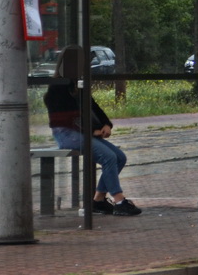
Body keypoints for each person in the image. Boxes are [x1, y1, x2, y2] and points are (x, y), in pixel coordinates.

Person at [43, 45, 142, 216]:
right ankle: (119, 201)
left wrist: (105, 124)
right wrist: (92, 131)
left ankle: (98, 200)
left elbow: (92, 107)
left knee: (119, 157)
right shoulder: (58, 87)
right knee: (109, 157)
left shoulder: (77, 85)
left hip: (82, 132)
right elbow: (66, 118)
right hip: (66, 133)